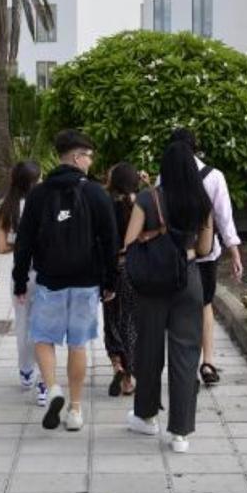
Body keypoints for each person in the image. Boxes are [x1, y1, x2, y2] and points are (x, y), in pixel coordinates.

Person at [13, 129, 118, 431]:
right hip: (86, 282)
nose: (90, 162)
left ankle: (52, 387)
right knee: (78, 344)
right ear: (76, 156)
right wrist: (110, 281)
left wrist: (21, 280)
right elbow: (110, 240)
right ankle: (74, 410)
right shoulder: (96, 193)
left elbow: (25, 242)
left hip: (49, 280)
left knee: (42, 338)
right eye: (88, 156)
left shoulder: (38, 194)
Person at [124, 140, 214, 453]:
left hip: (152, 284)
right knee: (186, 353)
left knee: (149, 349)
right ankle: (180, 433)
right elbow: (204, 249)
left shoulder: (149, 198)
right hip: (188, 279)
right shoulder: (201, 200)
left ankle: (146, 417)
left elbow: (129, 242)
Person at [169, 128, 243, 385]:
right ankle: (208, 363)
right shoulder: (214, 176)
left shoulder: (164, 178)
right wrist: (234, 251)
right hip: (205, 255)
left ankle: (184, 367)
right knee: (204, 306)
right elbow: (224, 217)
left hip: (175, 255)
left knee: (178, 309)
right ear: (195, 147)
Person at [0, 160, 47, 406]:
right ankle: (46, 378)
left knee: (23, 325)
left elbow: (1, 247)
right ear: (34, 181)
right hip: (45, 273)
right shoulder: (44, 205)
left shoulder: (7, 209)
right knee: (44, 327)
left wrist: (20, 245)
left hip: (20, 276)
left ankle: (26, 372)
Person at [104, 162, 141, 397]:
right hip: (135, 268)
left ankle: (117, 363)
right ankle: (130, 376)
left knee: (111, 319)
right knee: (131, 322)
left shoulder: (108, 204)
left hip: (112, 267)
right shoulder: (142, 203)